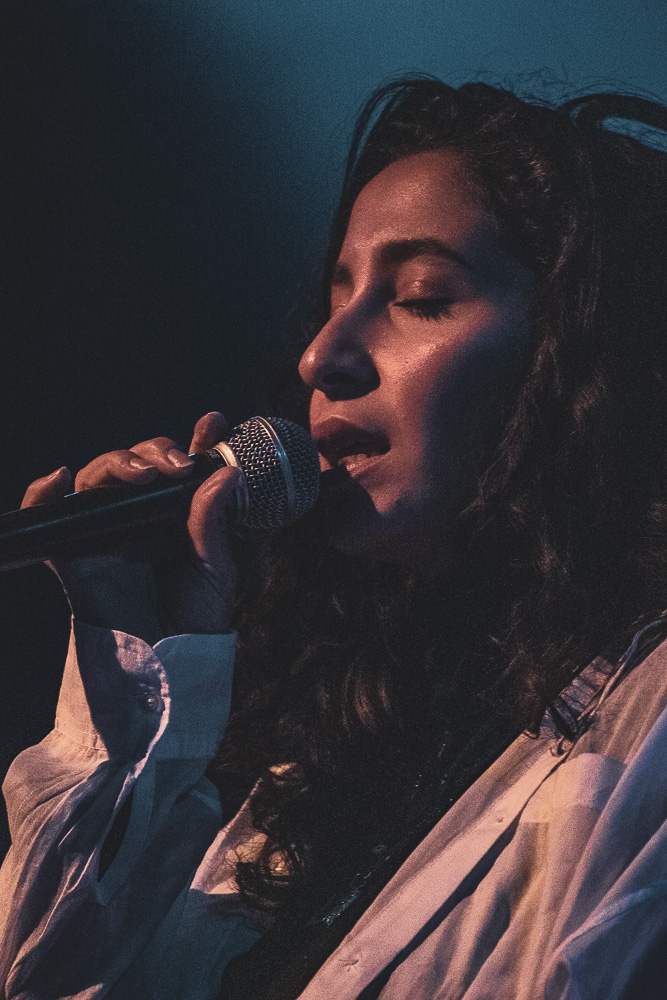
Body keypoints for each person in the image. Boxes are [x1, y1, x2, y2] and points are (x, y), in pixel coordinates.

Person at [1, 75, 667, 999]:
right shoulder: (332, 735)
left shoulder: (644, 729)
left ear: (586, 357)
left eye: (421, 296)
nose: (321, 355)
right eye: (337, 293)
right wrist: (147, 659)